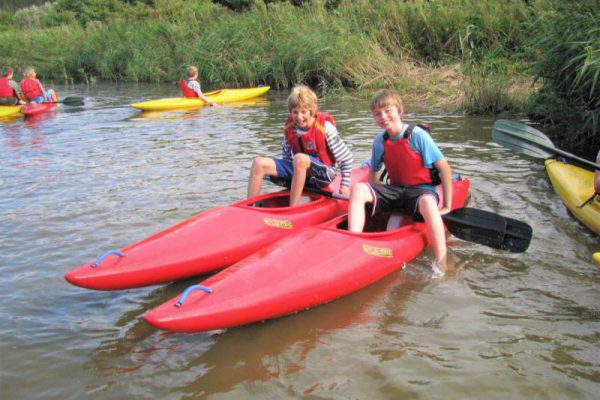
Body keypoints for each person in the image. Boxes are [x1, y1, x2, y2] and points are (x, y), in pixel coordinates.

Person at [347, 89, 453, 276]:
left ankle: (441, 263)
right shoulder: (380, 141)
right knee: (358, 189)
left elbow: (445, 169)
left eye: (388, 111)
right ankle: (352, 243)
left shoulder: (418, 135)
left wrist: (446, 206)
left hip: (421, 192)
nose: (383, 116)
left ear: (399, 111)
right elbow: (374, 172)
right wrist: (374, 196)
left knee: (428, 202)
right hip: (396, 191)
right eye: (378, 114)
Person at [247, 84, 353, 206]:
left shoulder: (326, 128)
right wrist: (285, 180)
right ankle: (249, 207)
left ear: (311, 111)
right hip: (300, 168)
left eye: (304, 112)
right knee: (258, 163)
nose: (299, 117)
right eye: (295, 112)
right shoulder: (289, 128)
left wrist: (344, 187)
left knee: (299, 159)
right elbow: (286, 158)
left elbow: (346, 159)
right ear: (290, 112)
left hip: (323, 174)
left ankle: (293, 208)